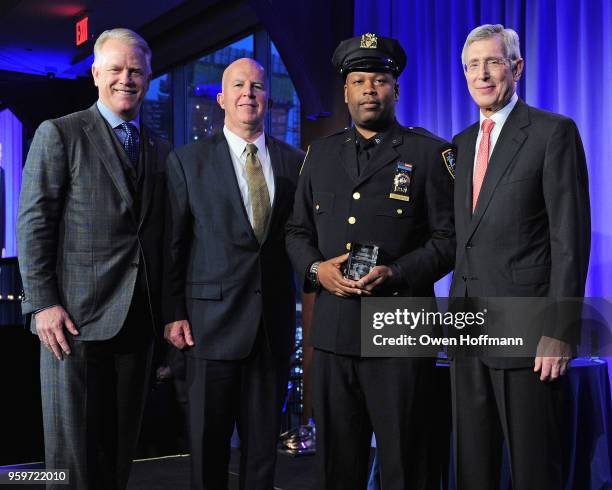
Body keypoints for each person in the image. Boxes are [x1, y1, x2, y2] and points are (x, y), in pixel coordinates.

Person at [285, 34, 456, 490]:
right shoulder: (319, 156)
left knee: (407, 462)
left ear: (395, 90)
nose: (368, 89)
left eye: (379, 80)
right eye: (358, 81)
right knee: (339, 465)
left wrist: (398, 272)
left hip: (400, 330)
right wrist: (317, 270)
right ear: (345, 92)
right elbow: (296, 232)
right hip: (336, 332)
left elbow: (449, 239)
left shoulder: (429, 153)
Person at [17, 28, 171, 490]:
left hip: (137, 325)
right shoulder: (60, 133)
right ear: (96, 74)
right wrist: (42, 304)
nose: (127, 78)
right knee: (70, 461)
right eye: (117, 69)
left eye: (136, 71)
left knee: (118, 454)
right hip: (72, 324)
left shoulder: (160, 147)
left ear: (148, 78)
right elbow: (33, 223)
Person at [450, 24, 590, 490]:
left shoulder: (553, 133)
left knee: (534, 470)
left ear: (517, 67)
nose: (482, 74)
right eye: (473, 65)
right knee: (474, 469)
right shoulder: (463, 141)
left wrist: (559, 330)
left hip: (528, 335)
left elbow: (569, 239)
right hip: (468, 333)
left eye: (492, 62)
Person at [163, 57, 304, 490]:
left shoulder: (296, 162)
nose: (249, 93)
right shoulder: (187, 161)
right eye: (239, 86)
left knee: (263, 454)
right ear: (222, 98)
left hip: (271, 328)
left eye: (258, 86)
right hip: (208, 328)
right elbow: (174, 244)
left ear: (268, 96)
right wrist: (173, 313)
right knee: (208, 449)